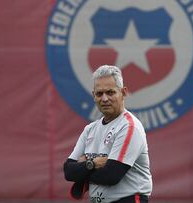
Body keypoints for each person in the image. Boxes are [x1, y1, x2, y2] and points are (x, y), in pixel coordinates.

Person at [63, 65, 152, 203]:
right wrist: (92, 164)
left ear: (123, 92)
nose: (104, 99)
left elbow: (111, 176)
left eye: (110, 92)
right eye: (99, 93)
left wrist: (82, 170)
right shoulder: (90, 129)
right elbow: (68, 171)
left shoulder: (129, 126)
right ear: (93, 96)